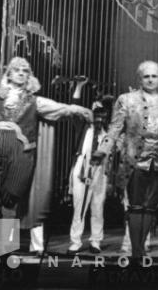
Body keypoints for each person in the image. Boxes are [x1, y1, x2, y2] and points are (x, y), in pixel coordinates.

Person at [0, 56, 92, 255]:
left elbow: (60, 109)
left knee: (9, 201)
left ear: (29, 77)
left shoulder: (36, 102)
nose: (21, 73)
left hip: (21, 155)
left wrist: (77, 109)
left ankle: (5, 248)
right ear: (9, 75)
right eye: (17, 70)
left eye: (25, 71)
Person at [91, 61, 158, 260]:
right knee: (136, 207)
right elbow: (115, 129)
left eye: (154, 76)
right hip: (135, 162)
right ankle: (136, 252)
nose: (150, 80)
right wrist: (103, 150)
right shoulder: (126, 100)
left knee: (150, 208)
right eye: (146, 76)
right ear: (140, 79)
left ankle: (141, 248)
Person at [68, 96, 114, 254]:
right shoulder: (83, 128)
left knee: (98, 207)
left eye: (103, 114)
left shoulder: (108, 134)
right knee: (79, 206)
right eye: (97, 114)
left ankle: (96, 240)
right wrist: (78, 89)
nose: (99, 118)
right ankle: (75, 241)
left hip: (100, 172)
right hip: (83, 170)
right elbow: (74, 110)